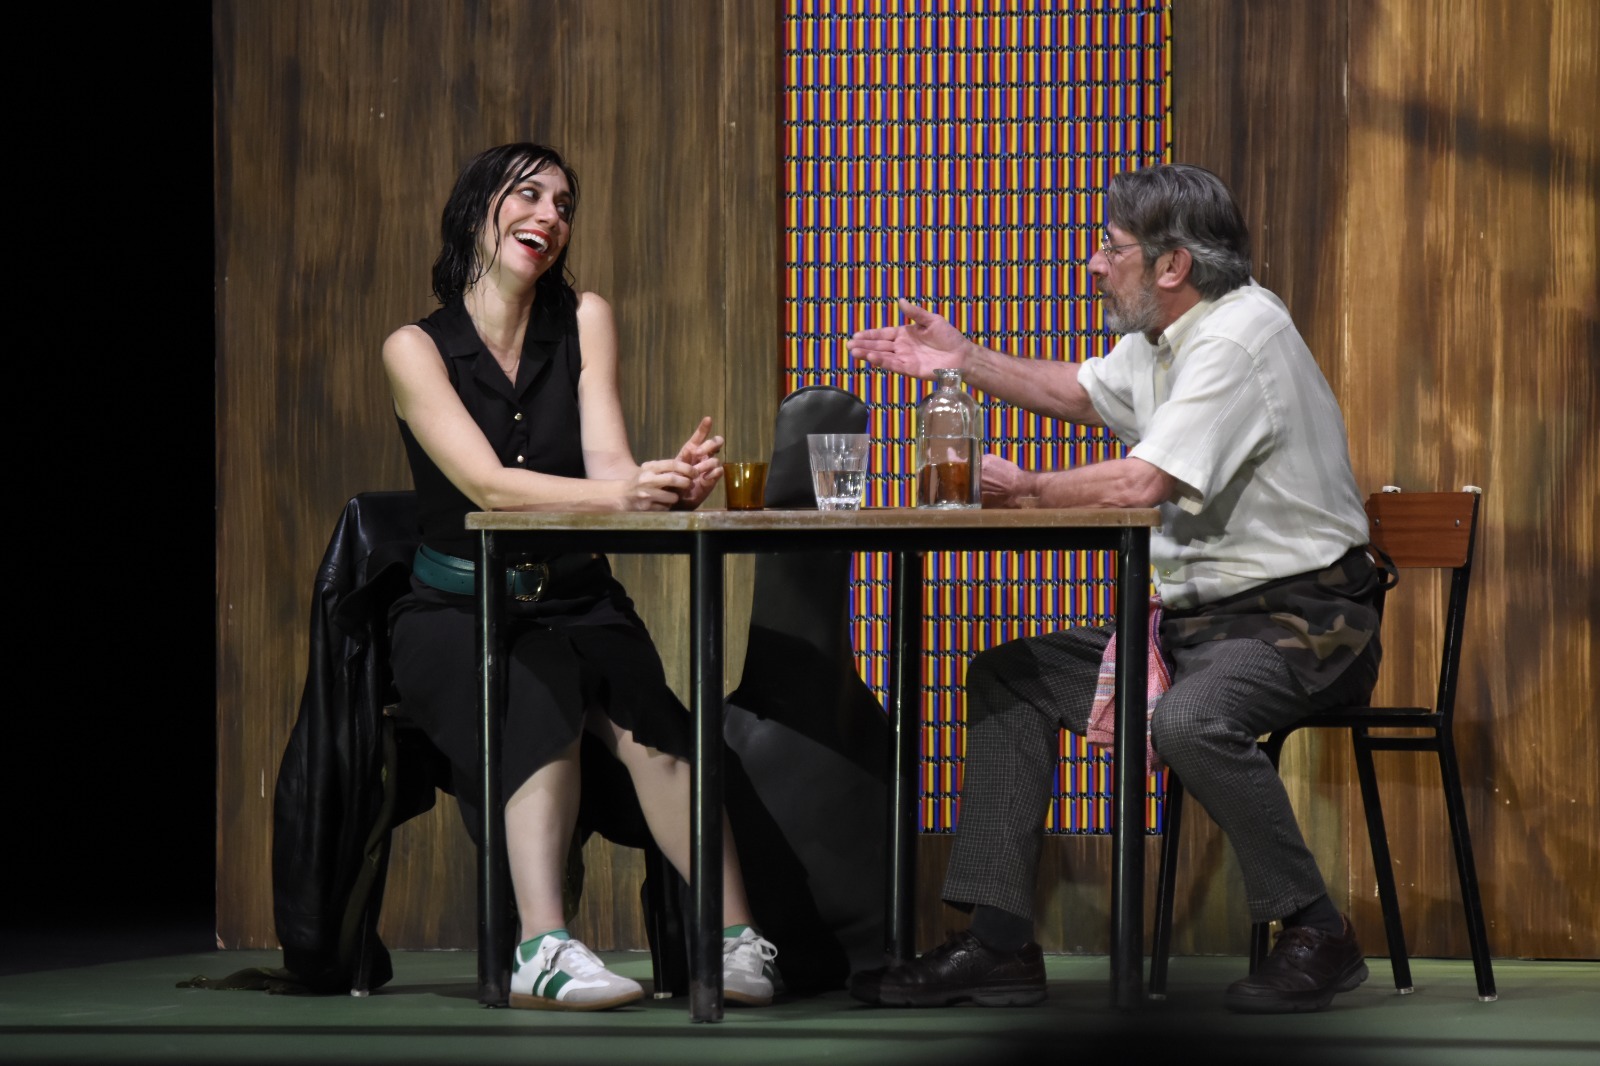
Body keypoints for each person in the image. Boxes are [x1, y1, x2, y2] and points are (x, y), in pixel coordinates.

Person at [844, 163, 1384, 1014]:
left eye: (1111, 247)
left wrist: (1029, 490)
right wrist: (963, 358)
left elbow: (1142, 483)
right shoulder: (1164, 339)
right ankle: (999, 947)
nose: (1094, 263)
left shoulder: (1239, 337)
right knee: (1012, 677)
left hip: (1305, 621)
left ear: (1173, 265)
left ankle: (1319, 929)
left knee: (1190, 720)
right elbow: (1080, 391)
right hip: (1195, 628)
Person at [381, 142, 778, 1011]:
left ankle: (736, 938)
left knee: (657, 722)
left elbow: (609, 466)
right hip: (457, 607)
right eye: (528, 196)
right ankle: (542, 947)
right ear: (476, 211)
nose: (549, 216)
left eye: (563, 205)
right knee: (541, 694)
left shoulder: (584, 317)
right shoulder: (414, 348)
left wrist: (659, 490)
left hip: (576, 593)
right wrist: (620, 493)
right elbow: (488, 485)